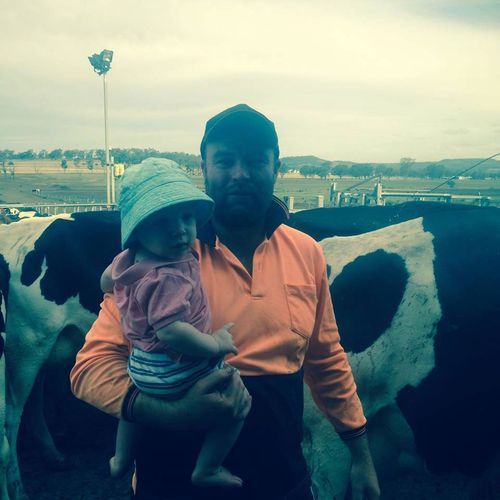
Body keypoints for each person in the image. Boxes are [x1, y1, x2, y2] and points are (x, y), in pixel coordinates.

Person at [71, 104, 380, 500]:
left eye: (254, 160)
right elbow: (89, 369)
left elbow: (325, 358)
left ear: (276, 166)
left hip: (280, 479)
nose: (240, 174)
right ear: (204, 167)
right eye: (225, 161)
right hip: (171, 483)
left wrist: (361, 454)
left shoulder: (306, 253)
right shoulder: (159, 260)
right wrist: (174, 413)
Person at [101, 159, 244, 488]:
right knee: (236, 405)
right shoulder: (170, 275)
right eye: (163, 222)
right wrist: (216, 342)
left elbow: (106, 282)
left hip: (140, 366)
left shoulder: (127, 260)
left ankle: (121, 458)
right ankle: (208, 467)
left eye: (185, 217)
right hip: (174, 369)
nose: (179, 229)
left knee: (133, 407)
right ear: (139, 230)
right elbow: (171, 331)